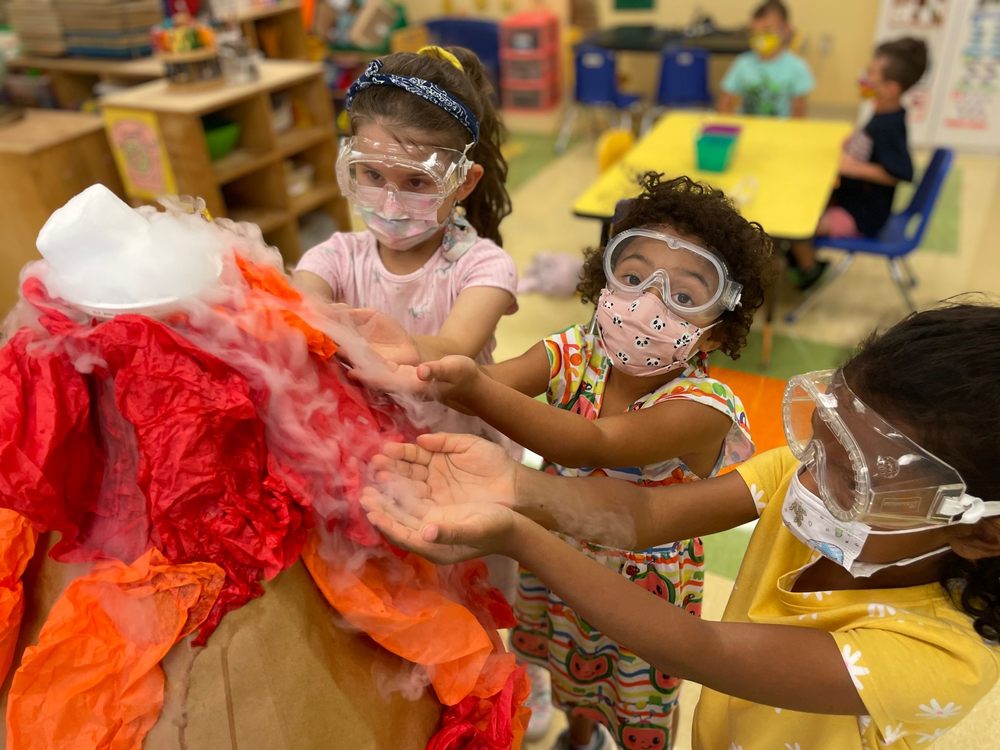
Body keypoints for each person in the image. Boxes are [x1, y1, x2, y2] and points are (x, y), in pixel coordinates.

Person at [362, 301, 1000, 750]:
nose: (810, 476)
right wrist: (520, 487)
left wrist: (517, 532)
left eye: (855, 474)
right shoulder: (800, 473)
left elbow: (702, 649)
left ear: (978, 533)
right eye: (822, 434)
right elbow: (642, 516)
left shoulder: (937, 658)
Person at [402, 173, 774, 749]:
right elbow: (501, 380)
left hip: (641, 587)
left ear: (716, 333)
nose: (648, 300)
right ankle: (580, 736)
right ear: (604, 279)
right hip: (555, 555)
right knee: (565, 667)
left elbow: (589, 443)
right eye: (632, 275)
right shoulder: (579, 349)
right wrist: (423, 372)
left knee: (637, 701)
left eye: (683, 295)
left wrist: (469, 386)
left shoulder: (705, 408)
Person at [292, 45, 517, 366]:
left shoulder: (485, 269)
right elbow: (304, 304)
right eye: (372, 174)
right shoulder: (335, 257)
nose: (390, 203)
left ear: (463, 182)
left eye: (416, 182)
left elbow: (452, 349)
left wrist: (365, 341)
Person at [790, 37, 929, 289]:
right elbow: (873, 150)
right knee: (798, 198)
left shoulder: (890, 125)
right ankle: (797, 256)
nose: (863, 76)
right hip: (851, 200)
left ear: (890, 88)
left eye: (871, 73)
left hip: (863, 216)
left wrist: (852, 167)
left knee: (797, 225)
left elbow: (901, 171)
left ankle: (810, 270)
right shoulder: (883, 113)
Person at [718, 0, 814, 118]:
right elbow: (725, 103)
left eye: (767, 31)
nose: (761, 38)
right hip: (747, 129)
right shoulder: (742, 63)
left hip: (780, 131)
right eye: (755, 32)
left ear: (785, 29)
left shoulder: (797, 67)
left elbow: (799, 111)